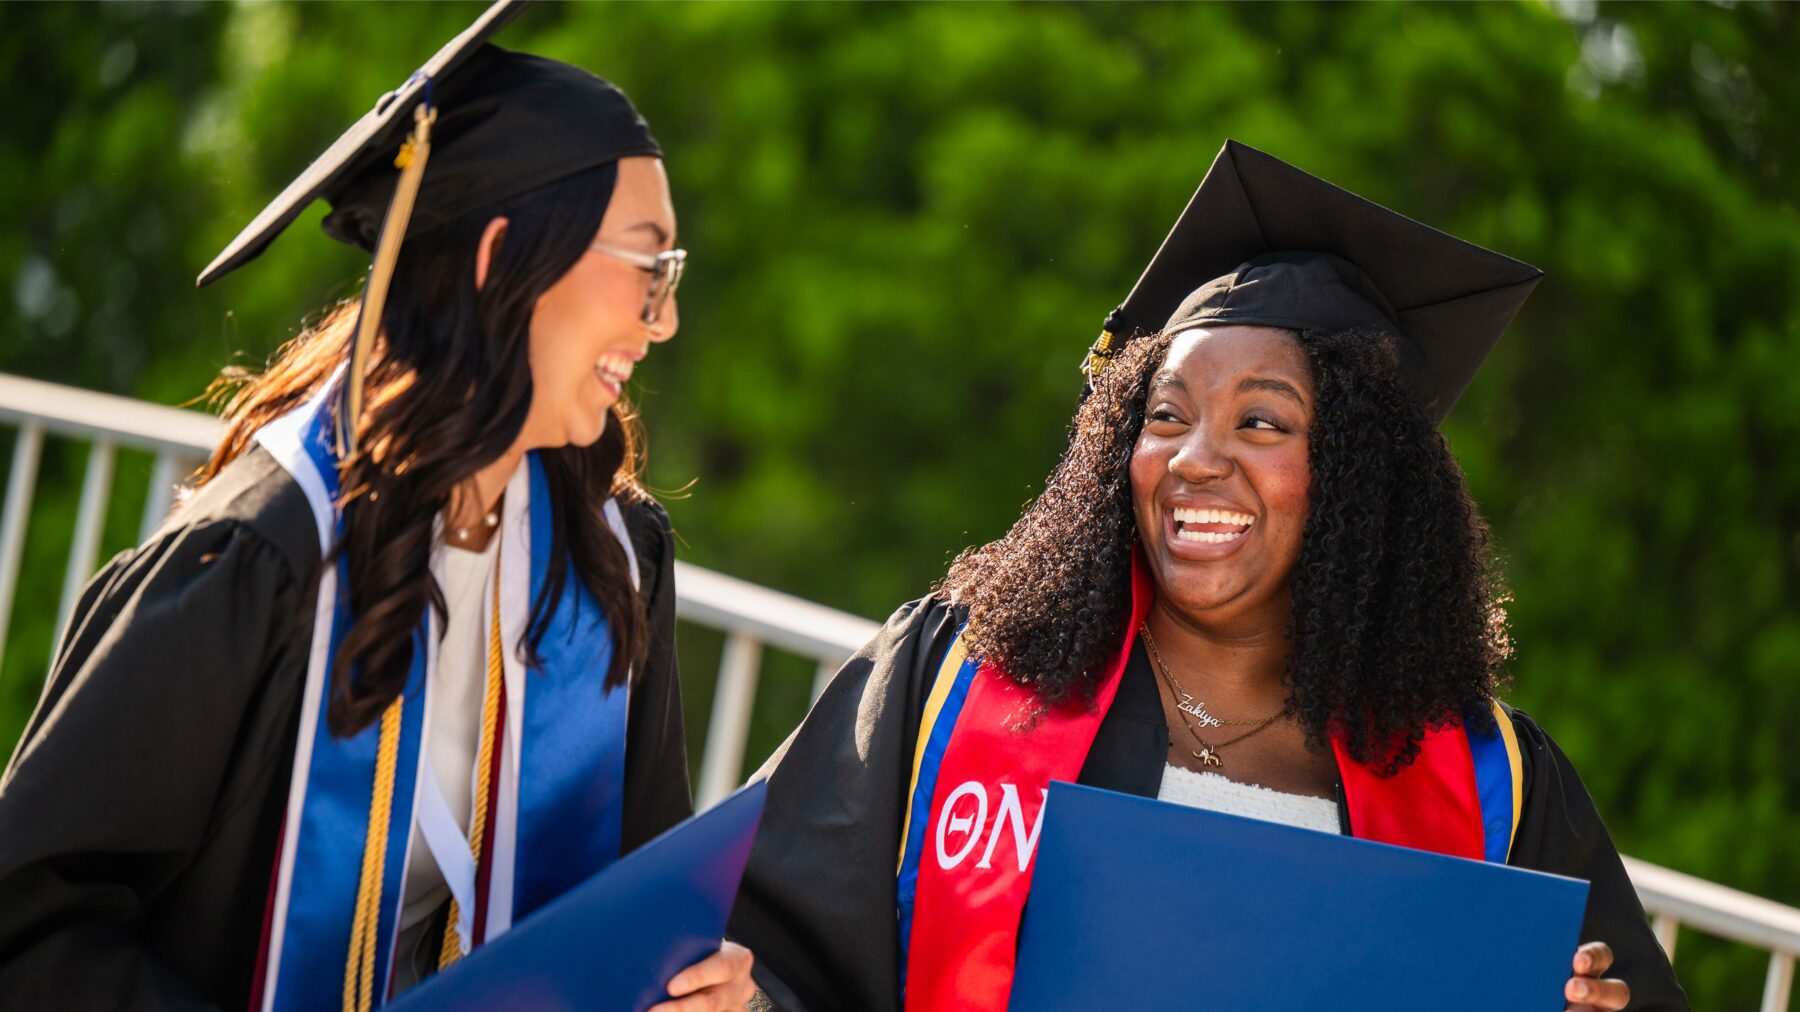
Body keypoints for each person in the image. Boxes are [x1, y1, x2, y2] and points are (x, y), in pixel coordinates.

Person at [729, 141, 1688, 1011]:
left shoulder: (1492, 786)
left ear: (1362, 478)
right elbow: (761, 942)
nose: (1195, 458)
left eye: (1261, 422)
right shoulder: (960, 673)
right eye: (1165, 415)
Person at [0, 4, 753, 1010]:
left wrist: (698, 987)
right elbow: (30, 916)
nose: (661, 322)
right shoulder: (260, 557)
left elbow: (637, 906)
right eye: (647, 269)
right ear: (499, 261)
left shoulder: (611, 560)